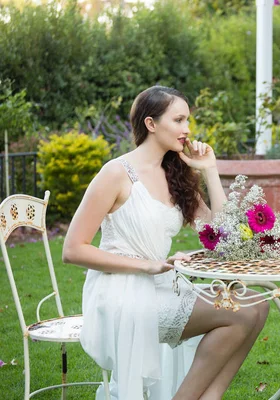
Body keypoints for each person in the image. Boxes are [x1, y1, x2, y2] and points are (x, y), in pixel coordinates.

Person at [62, 86, 269, 399]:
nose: (187, 129)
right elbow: (73, 249)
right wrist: (147, 265)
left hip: (160, 284)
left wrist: (210, 169)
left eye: (188, 120)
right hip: (120, 293)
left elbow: (223, 231)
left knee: (258, 304)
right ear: (151, 124)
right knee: (241, 312)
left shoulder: (176, 173)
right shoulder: (116, 173)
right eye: (179, 119)